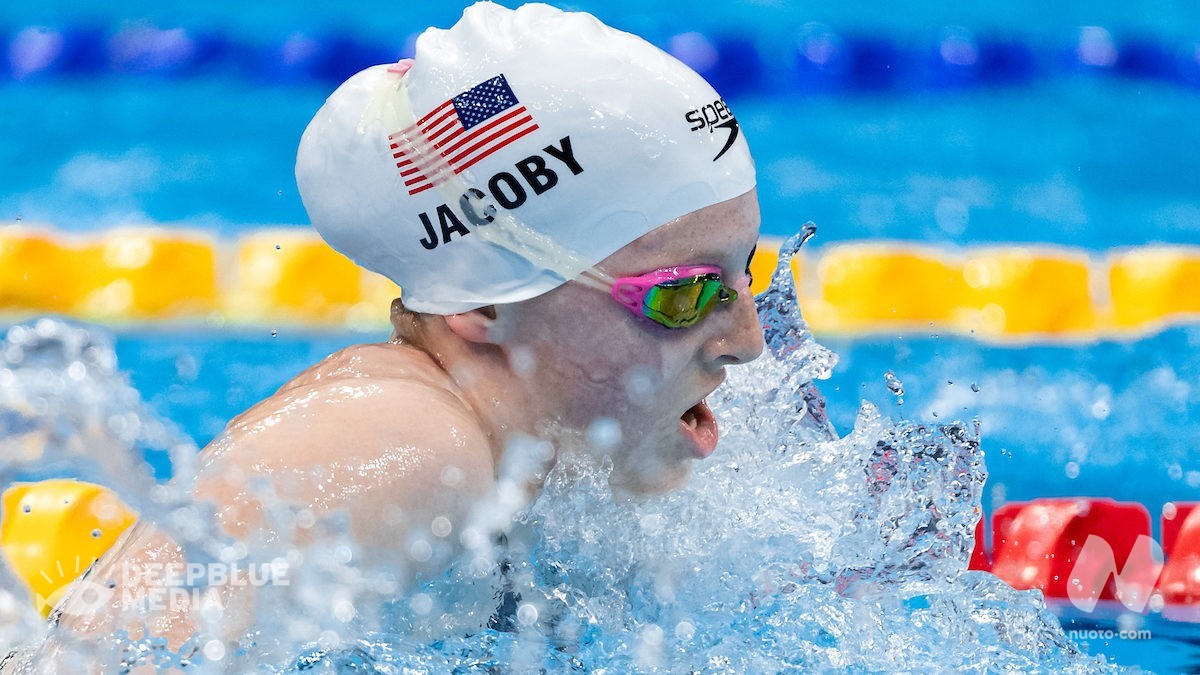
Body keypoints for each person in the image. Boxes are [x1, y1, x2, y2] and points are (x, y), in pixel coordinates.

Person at [11, 1, 765, 662]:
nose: (750, 339)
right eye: (686, 296)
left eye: (747, 274)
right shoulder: (407, 442)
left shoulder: (549, 458)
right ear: (486, 306)